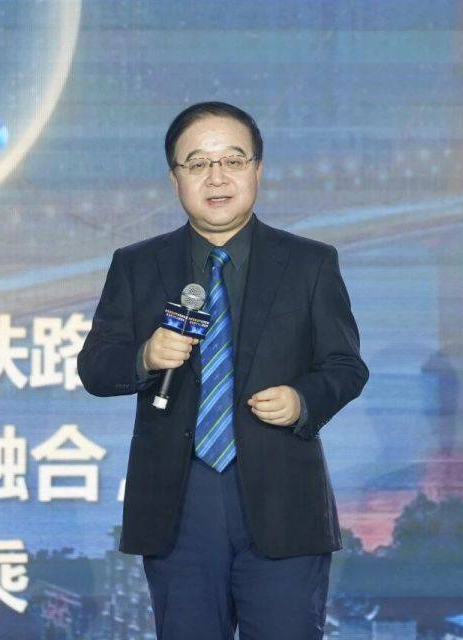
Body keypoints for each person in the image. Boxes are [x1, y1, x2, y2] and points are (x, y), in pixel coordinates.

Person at [77, 101, 368, 639]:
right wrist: (145, 357)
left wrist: (303, 400)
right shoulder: (137, 264)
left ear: (258, 170)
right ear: (175, 179)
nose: (217, 177)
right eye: (198, 163)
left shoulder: (310, 262)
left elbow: (345, 365)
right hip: (178, 503)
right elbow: (95, 368)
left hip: (284, 501)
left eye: (233, 160)